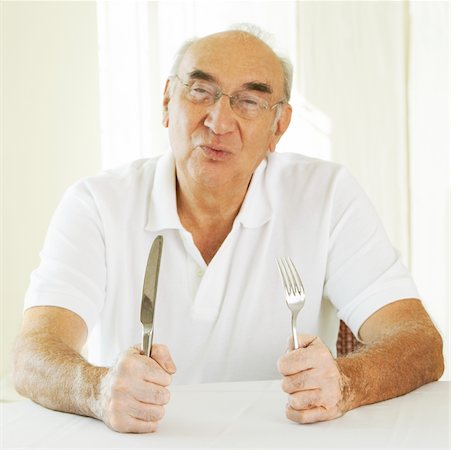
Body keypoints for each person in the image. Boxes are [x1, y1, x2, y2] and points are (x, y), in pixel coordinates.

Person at [13, 25, 444, 433]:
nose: (218, 121)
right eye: (200, 91)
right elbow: (32, 355)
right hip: (144, 438)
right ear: (167, 102)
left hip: (284, 438)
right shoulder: (96, 203)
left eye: (249, 101)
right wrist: (98, 389)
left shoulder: (327, 194)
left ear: (280, 125)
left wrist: (346, 383)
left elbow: (420, 343)